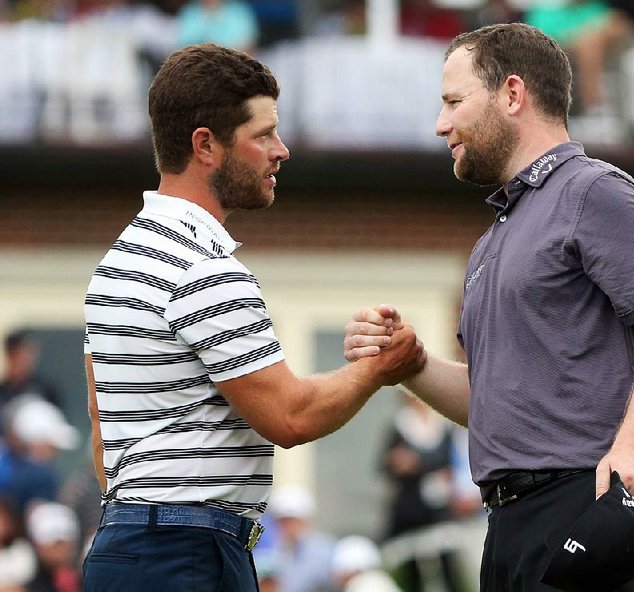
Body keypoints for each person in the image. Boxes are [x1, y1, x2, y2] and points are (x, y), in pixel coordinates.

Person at [344, 23, 634, 591]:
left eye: (454, 102)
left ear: (512, 94)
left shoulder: (596, 193)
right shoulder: (492, 240)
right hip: (511, 524)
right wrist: (410, 364)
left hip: (592, 505)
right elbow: (493, 402)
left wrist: (631, 451)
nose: (441, 125)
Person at [82, 43, 425, 592]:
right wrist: (381, 367)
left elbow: (103, 438)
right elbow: (290, 417)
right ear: (206, 146)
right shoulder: (202, 267)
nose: (281, 150)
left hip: (126, 544)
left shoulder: (118, 262)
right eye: (263, 134)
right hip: (189, 553)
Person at [380, 391, 460, 592]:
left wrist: (417, 462)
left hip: (438, 508)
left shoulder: (442, 426)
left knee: (447, 566)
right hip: (410, 509)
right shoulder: (400, 426)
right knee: (411, 568)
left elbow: (448, 461)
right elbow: (387, 465)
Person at [268, 485, 337, 592]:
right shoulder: (274, 551)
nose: (288, 527)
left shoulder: (325, 549)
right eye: (283, 521)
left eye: (292, 521)